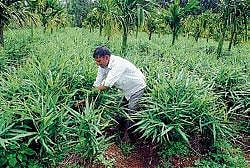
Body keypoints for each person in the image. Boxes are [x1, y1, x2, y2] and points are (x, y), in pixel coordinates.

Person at [92, 46, 146, 141]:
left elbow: (107, 85)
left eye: (99, 61)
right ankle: (117, 131)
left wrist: (93, 92)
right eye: (96, 61)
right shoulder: (102, 66)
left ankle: (129, 137)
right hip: (125, 90)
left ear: (107, 57)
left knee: (132, 112)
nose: (97, 63)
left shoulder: (118, 64)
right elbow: (98, 82)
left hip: (136, 88)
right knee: (119, 109)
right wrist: (90, 94)